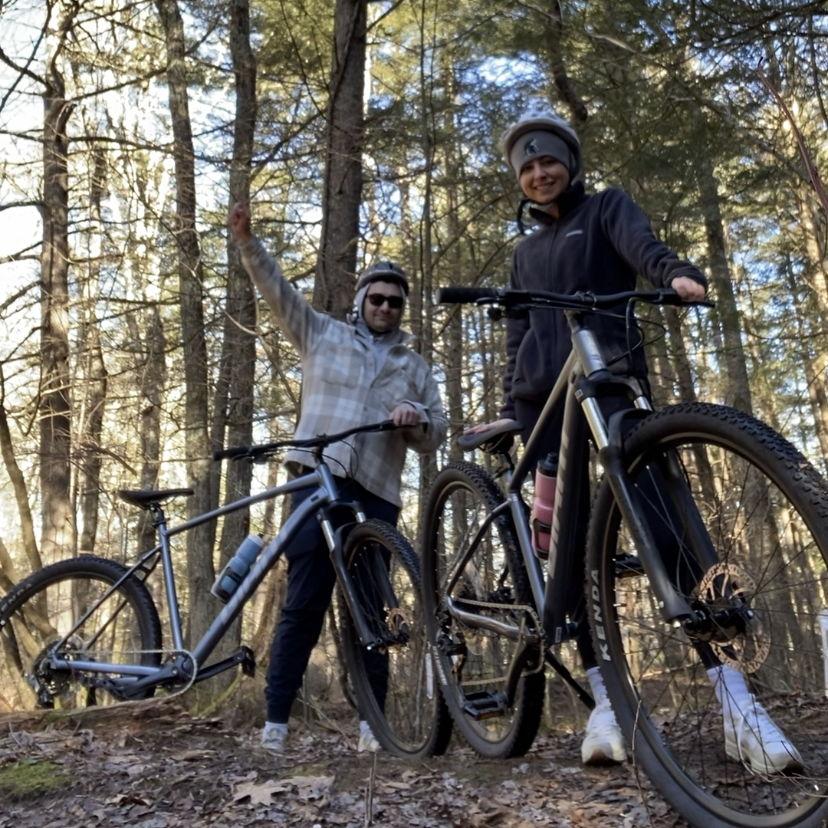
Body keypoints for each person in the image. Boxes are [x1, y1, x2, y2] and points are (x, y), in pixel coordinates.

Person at [465, 108, 801, 773]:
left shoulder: (607, 209)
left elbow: (642, 244)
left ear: (570, 163)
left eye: (548, 161)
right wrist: (510, 407)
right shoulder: (525, 251)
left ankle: (735, 701)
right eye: (527, 167)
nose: (538, 173)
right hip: (550, 415)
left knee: (670, 530)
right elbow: (517, 334)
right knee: (570, 560)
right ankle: (604, 704)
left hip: (614, 393)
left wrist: (672, 272)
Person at [228, 202, 447, 754]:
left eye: (395, 301)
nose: (385, 307)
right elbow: (277, 291)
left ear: (402, 309)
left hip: (376, 496)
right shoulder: (321, 334)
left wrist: (414, 418)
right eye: (377, 297)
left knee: (372, 611)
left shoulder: (415, 367)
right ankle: (275, 724)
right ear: (361, 301)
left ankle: (373, 728)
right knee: (302, 603)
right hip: (314, 483)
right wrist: (249, 243)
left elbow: (437, 429)